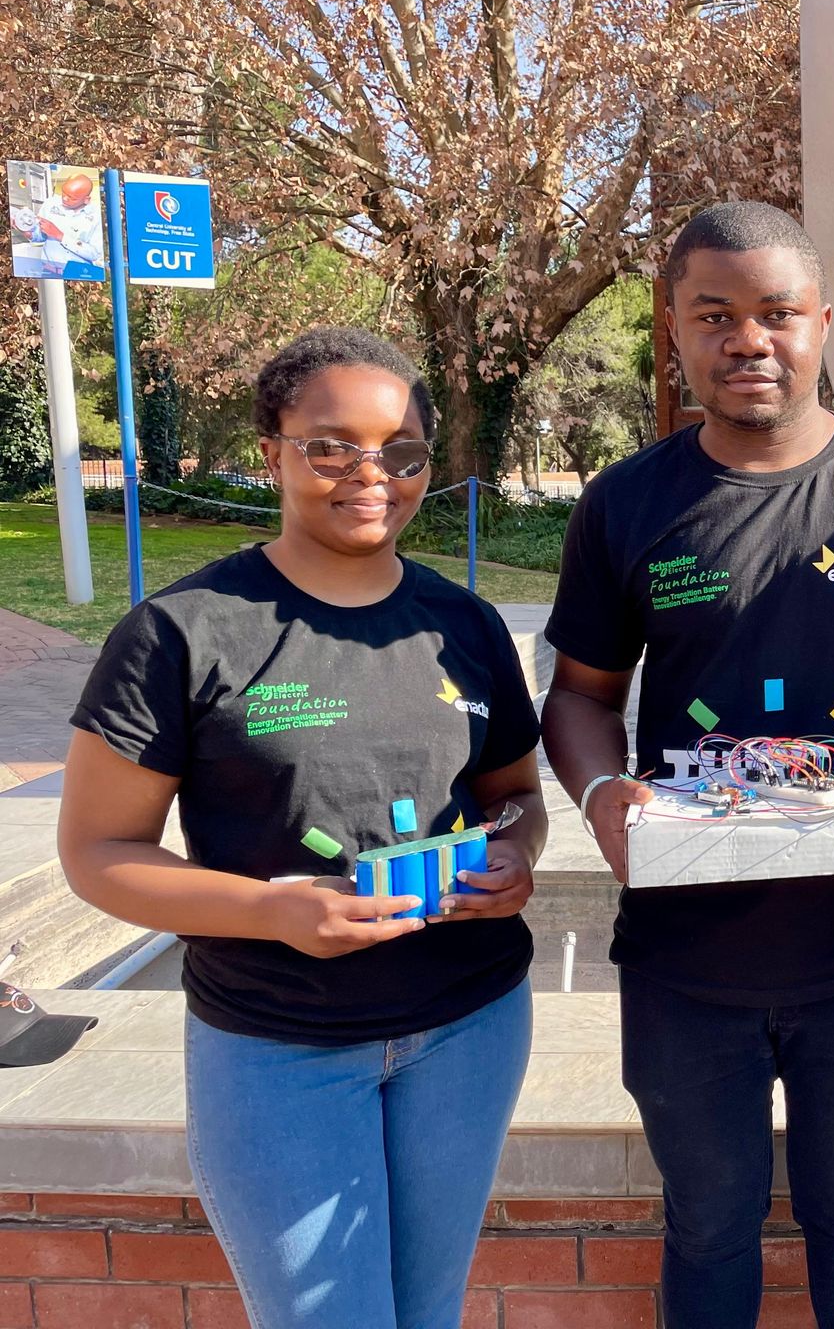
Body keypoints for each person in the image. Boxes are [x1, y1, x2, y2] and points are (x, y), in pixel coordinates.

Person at [540, 201, 834, 1329]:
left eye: (778, 313)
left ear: (823, 323)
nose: (750, 340)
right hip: (686, 962)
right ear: (674, 331)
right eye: (715, 315)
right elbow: (581, 696)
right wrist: (600, 795)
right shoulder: (625, 504)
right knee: (707, 1226)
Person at [59, 327, 546, 1329]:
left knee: (430, 1314)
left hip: (469, 1027)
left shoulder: (465, 624)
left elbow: (516, 795)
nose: (372, 475)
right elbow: (98, 855)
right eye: (332, 447)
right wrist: (272, 911)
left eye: (402, 453)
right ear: (272, 451)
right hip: (279, 1045)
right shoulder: (182, 632)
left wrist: (515, 856)